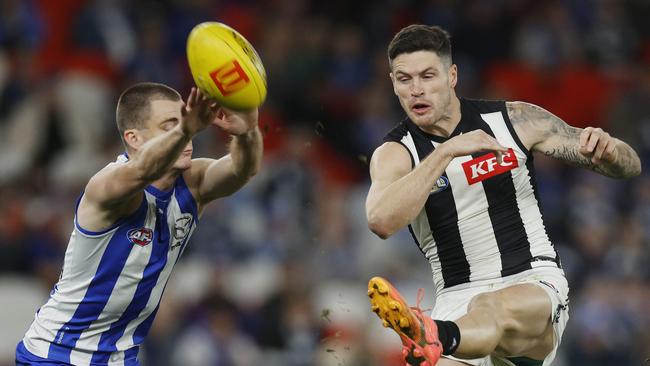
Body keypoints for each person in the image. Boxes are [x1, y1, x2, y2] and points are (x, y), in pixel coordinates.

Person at [365, 25, 641, 366]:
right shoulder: (395, 154)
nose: (417, 90)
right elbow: (380, 221)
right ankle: (438, 335)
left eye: (427, 76)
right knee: (469, 321)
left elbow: (630, 166)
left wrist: (611, 151)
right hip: (456, 304)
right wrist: (445, 153)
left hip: (532, 284)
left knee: (490, 307)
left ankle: (436, 335)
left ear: (452, 76)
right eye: (405, 80)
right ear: (393, 83)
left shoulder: (515, 120)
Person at [15, 82, 263, 365]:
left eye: (185, 120)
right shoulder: (107, 184)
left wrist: (247, 132)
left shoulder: (192, 184)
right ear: (134, 138)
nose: (187, 134)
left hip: (121, 358)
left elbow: (243, 169)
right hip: (56, 355)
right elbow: (144, 170)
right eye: (170, 124)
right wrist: (185, 130)